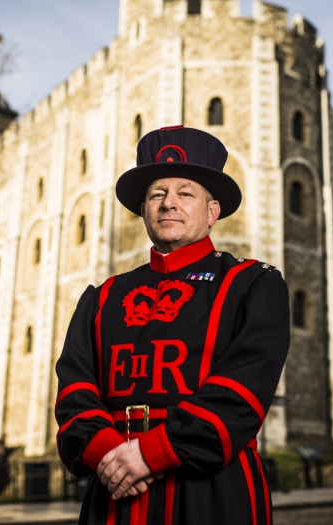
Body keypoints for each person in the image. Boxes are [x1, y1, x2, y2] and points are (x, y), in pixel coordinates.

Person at [55, 126, 290, 524]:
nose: (169, 204)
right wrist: (110, 453)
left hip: (211, 491)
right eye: (157, 194)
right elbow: (75, 392)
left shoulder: (252, 285)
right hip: (115, 487)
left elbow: (243, 391)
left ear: (212, 211)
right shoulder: (102, 298)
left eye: (185, 193)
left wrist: (152, 453)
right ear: (143, 210)